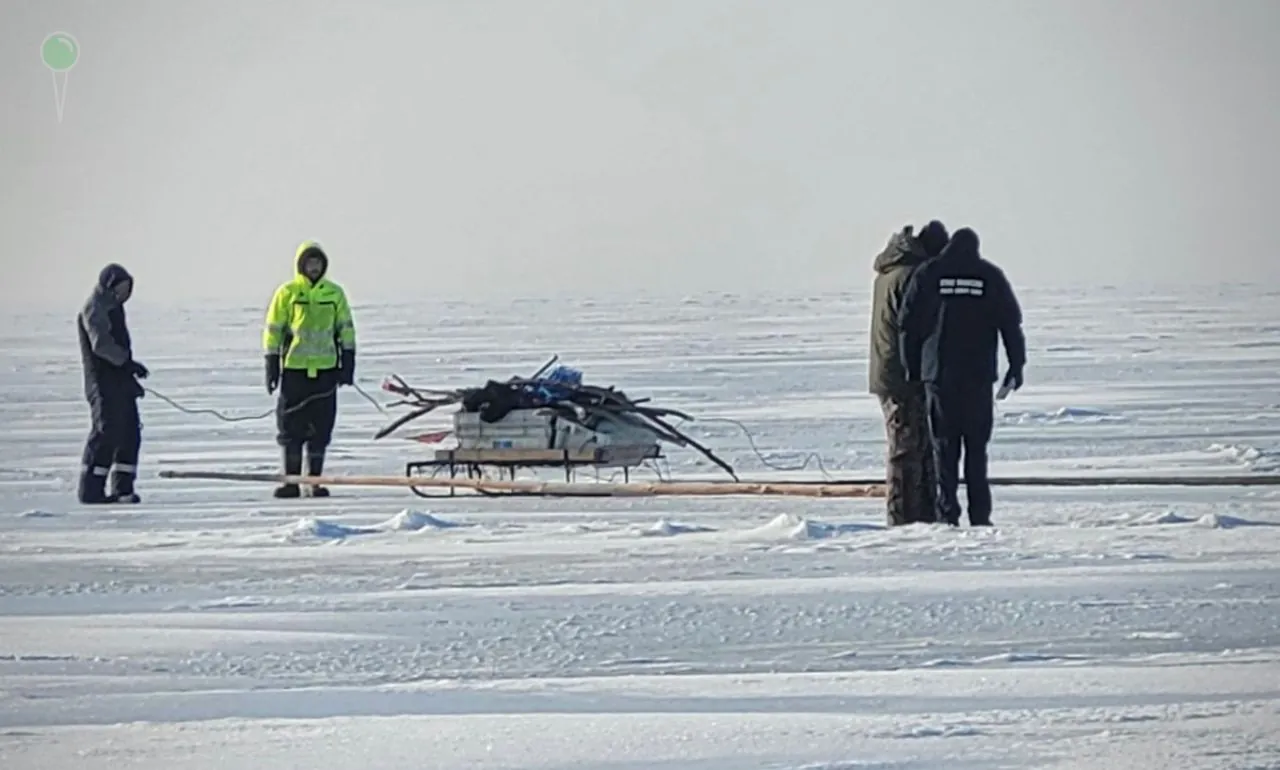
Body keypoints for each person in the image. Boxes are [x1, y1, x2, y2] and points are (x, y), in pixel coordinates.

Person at [898, 227, 1026, 526]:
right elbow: (1011, 324)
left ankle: (948, 512)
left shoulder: (929, 274)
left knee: (944, 447)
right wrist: (1016, 366)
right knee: (976, 449)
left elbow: (907, 324)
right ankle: (980, 515)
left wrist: (912, 369)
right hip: (977, 377)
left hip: (939, 376)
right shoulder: (989, 275)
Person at [868, 221, 949, 526]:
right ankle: (904, 518)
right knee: (908, 448)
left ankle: (921, 515)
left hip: (893, 372)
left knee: (916, 445)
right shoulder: (914, 276)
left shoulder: (891, 273)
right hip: (903, 375)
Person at [262, 240, 357, 498]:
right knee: (291, 428)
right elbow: (274, 330)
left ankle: (314, 481)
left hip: (326, 372)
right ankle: (291, 481)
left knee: (321, 428)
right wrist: (271, 364)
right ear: (301, 266)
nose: (314, 268)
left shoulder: (334, 293)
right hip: (295, 371)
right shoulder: (288, 293)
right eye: (309, 263)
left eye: (317, 263)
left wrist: (348, 362)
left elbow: (345, 329)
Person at [77, 264, 149, 504]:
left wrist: (130, 371)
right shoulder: (95, 308)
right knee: (106, 432)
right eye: (122, 288)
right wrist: (125, 362)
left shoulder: (115, 308)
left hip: (119, 380)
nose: (125, 294)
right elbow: (101, 345)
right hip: (102, 382)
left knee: (129, 432)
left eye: (128, 289)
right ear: (110, 286)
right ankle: (91, 490)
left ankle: (123, 489)